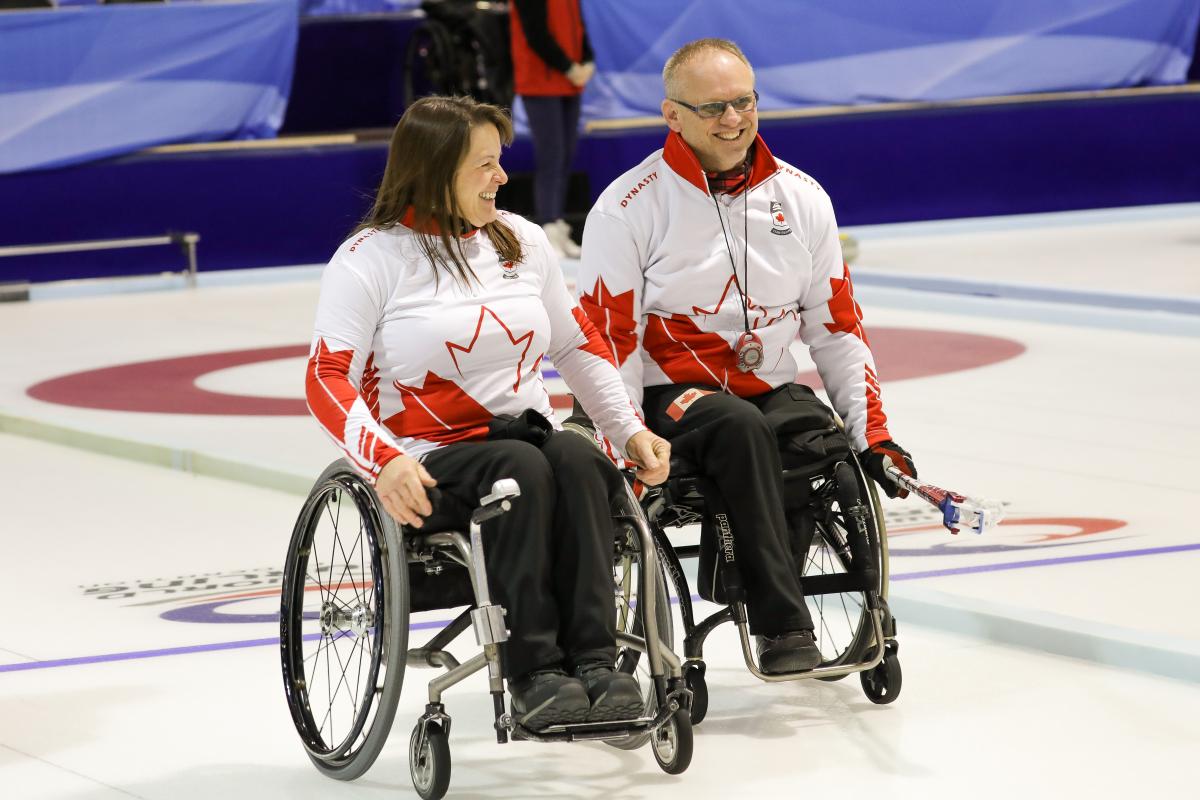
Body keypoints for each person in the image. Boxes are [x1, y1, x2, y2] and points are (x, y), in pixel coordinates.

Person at [304, 95, 672, 729]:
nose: (502, 177)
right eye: (484, 165)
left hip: (525, 435)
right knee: (521, 471)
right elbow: (325, 377)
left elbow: (577, 346)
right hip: (428, 454)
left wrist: (629, 430)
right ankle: (535, 671)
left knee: (581, 460)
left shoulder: (523, 242)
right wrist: (383, 462)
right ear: (434, 168)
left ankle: (596, 661)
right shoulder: (370, 259)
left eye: (500, 162)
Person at [577, 39, 917, 674]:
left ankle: (754, 578)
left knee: (816, 435)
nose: (733, 119)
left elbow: (837, 326)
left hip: (764, 385)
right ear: (671, 115)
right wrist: (619, 438)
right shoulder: (628, 206)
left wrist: (875, 435)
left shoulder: (802, 197)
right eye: (714, 108)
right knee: (739, 428)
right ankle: (782, 627)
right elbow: (607, 341)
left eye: (744, 102)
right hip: (665, 395)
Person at [509, 0, 594, 259]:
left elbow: (579, 28)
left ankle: (558, 223)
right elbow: (535, 34)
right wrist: (568, 67)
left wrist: (588, 59)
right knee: (551, 157)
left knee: (565, 157)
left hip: (570, 84)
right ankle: (547, 227)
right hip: (541, 84)